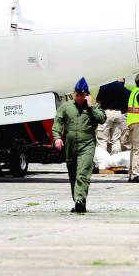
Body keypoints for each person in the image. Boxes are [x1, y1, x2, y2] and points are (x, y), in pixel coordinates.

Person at [52, 78, 106, 213]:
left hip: (87, 144)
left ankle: (80, 200)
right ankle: (78, 201)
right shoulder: (66, 107)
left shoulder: (94, 108)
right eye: (78, 95)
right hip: (70, 145)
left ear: (87, 95)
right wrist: (57, 137)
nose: (80, 98)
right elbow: (57, 122)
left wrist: (90, 107)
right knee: (73, 175)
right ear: (74, 94)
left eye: (82, 95)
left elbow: (102, 119)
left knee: (82, 174)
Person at [94, 78, 130, 154]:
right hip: (118, 113)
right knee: (116, 139)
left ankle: (102, 159)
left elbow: (98, 102)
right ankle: (115, 159)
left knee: (102, 139)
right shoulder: (124, 89)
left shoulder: (104, 86)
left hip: (105, 113)